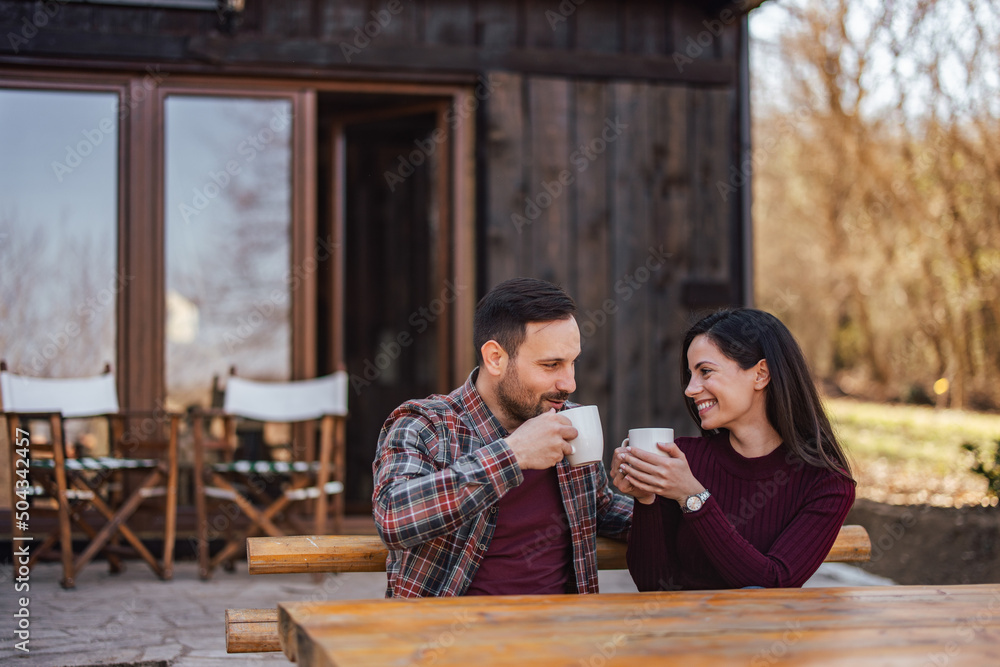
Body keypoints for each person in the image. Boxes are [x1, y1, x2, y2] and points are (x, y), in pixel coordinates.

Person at [373, 277, 633, 598]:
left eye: (571, 363)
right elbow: (393, 518)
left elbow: (599, 508)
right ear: (495, 358)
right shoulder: (426, 424)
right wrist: (512, 455)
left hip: (563, 637)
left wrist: (664, 497)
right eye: (551, 364)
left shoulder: (567, 419)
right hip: (446, 641)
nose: (569, 383)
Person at [612, 307, 856, 590]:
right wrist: (647, 501)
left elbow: (773, 583)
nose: (690, 389)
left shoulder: (827, 483)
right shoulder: (681, 461)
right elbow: (654, 586)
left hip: (763, 633)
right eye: (690, 374)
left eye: (705, 371)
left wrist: (693, 497)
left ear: (761, 374)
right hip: (683, 630)